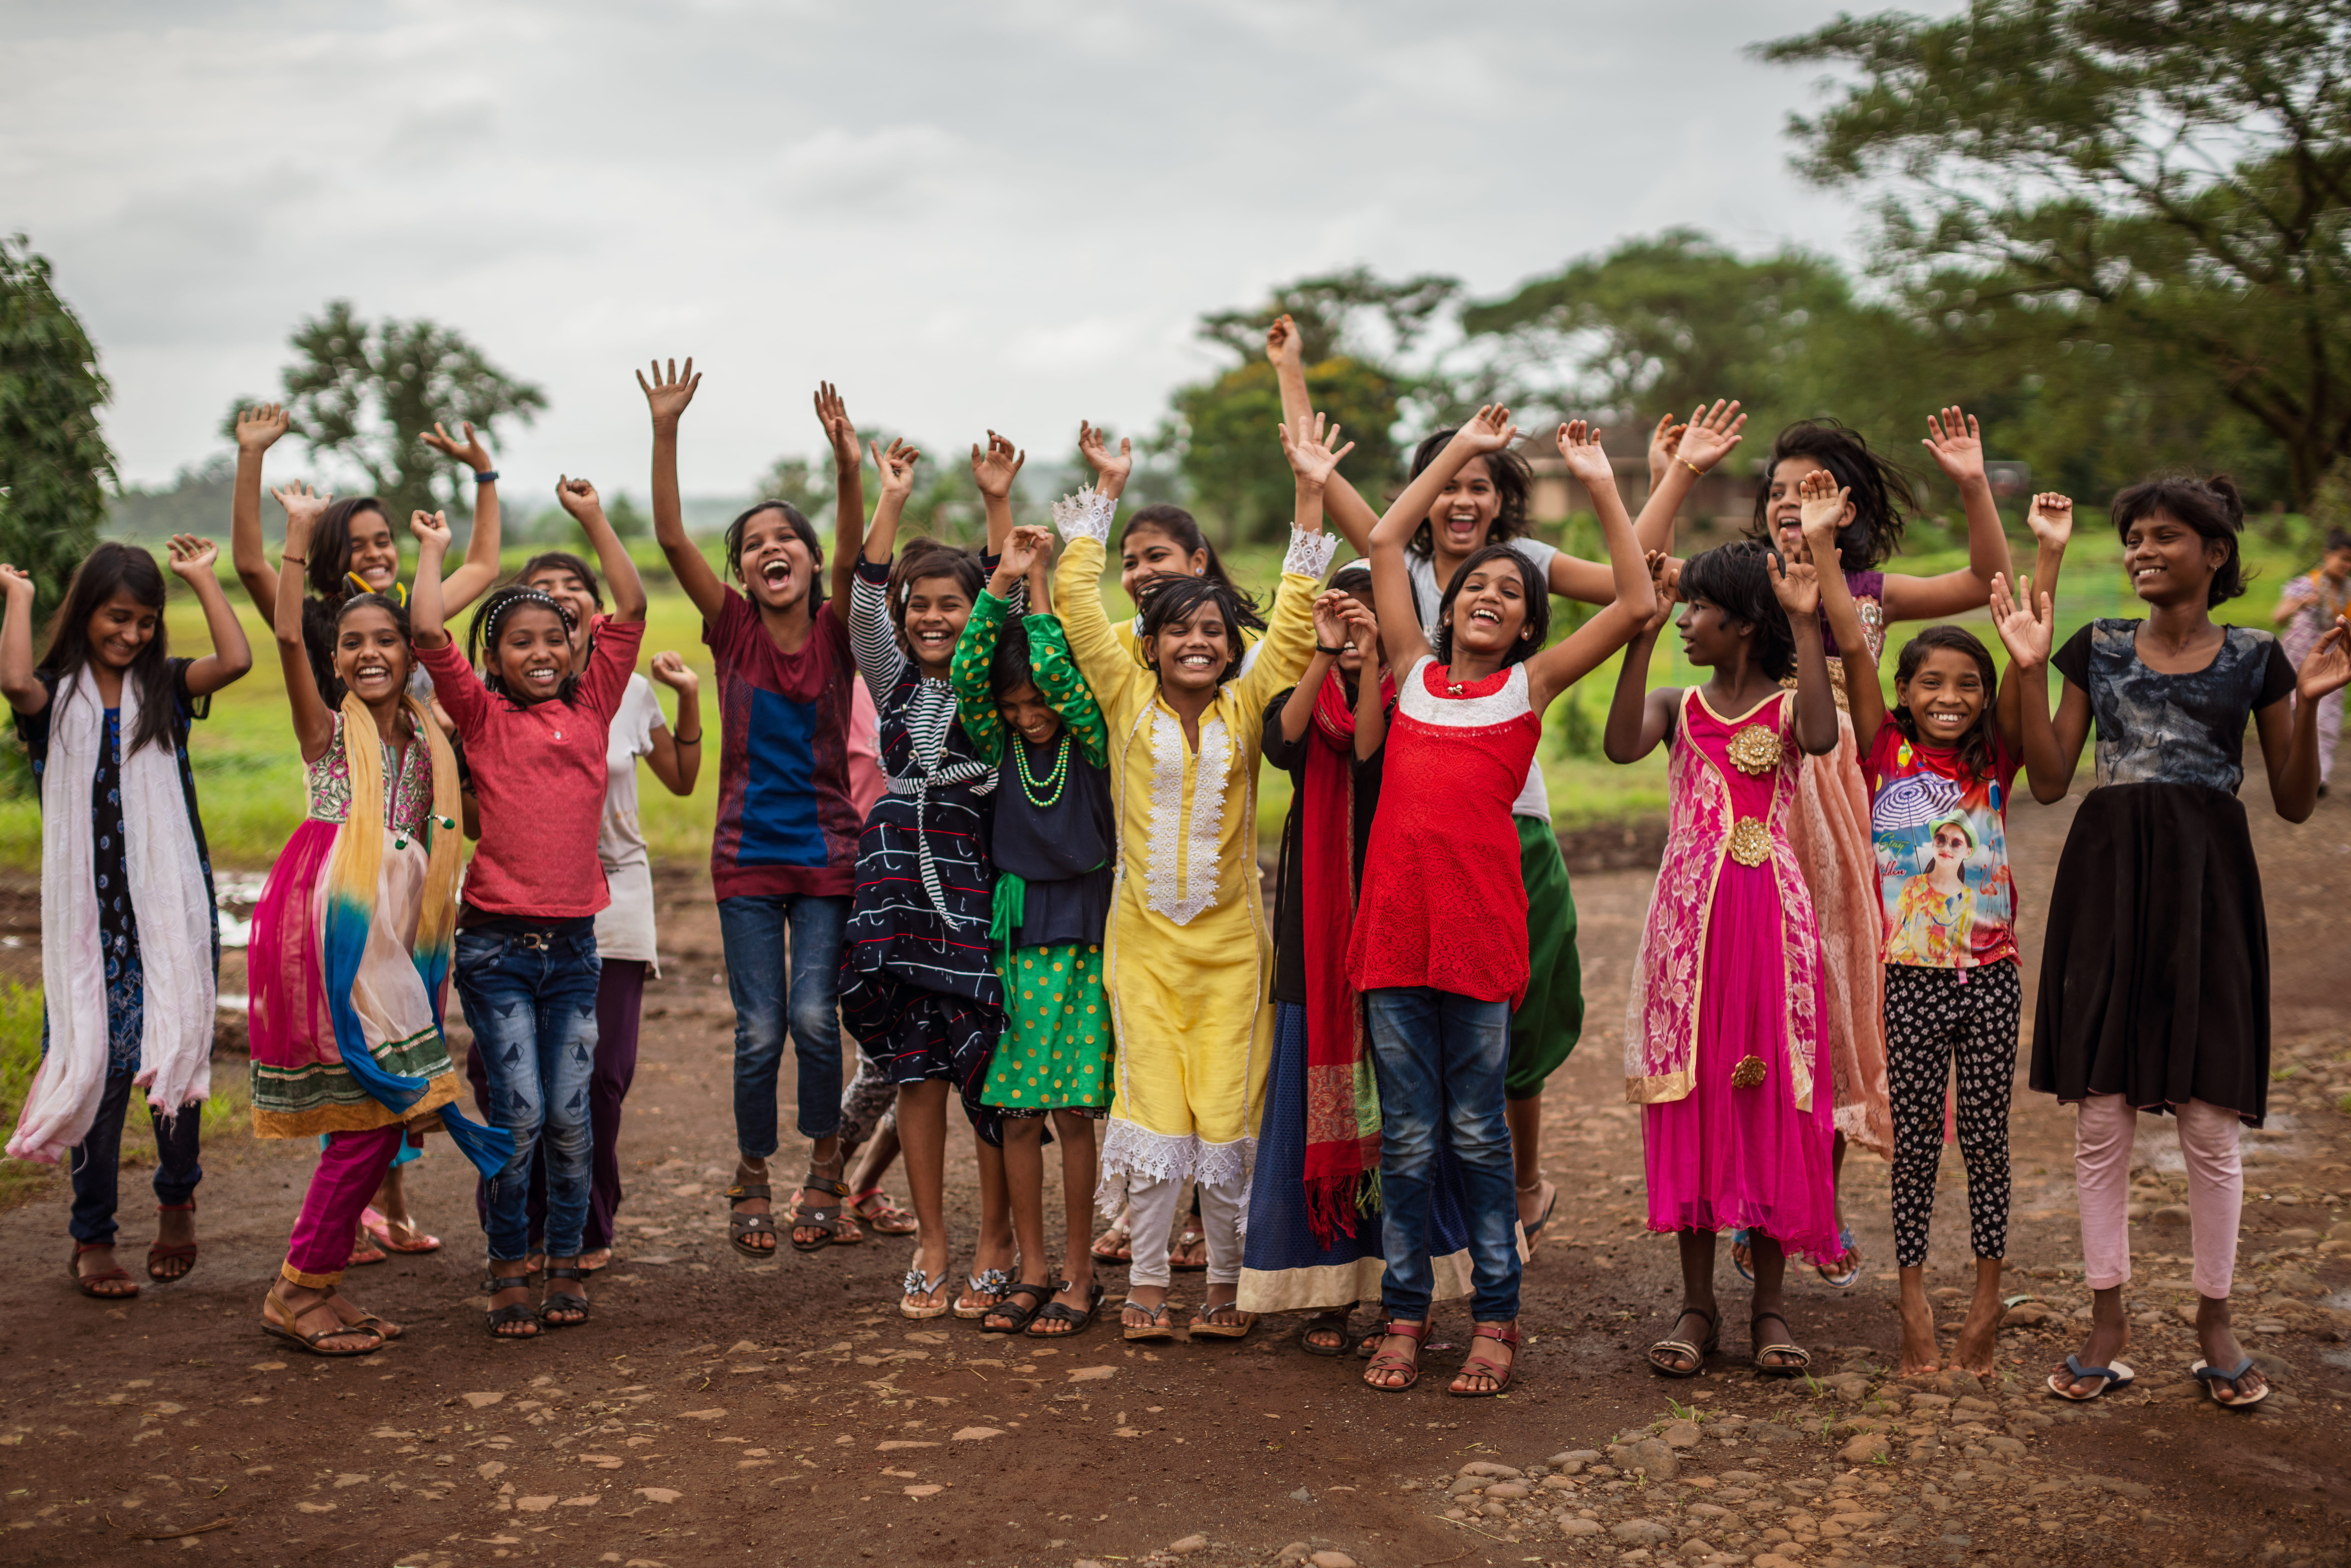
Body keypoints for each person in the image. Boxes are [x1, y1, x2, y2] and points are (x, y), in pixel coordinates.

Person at [1264, 313, 1746, 1246]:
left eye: (1480, 484)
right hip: (1397, 828)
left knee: (1504, 1025)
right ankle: (1424, 1232)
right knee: (1406, 1041)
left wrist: (1661, 476)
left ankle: (1513, 1196)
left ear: (1502, 507)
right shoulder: (1399, 592)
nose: (1463, 500)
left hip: (1502, 822)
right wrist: (1292, 371)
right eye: (1448, 482)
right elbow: (1322, 478)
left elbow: (1628, 586)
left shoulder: (1520, 585)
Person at [2016, 473, 2346, 1408]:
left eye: (2163, 535)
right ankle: (2106, 1319)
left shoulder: (2255, 658)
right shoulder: (2096, 649)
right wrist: (2024, 665)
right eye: (2132, 537)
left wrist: (2316, 698)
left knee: (2207, 1119)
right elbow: (2046, 779)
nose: (2141, 550)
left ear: (2214, 554)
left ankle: (2214, 1320)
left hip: (2208, 888)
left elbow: (2288, 801)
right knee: (2100, 1113)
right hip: (2107, 882)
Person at [1351, 412, 1656, 1396]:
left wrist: (1598, 479)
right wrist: (1450, 454)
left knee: (1478, 1133)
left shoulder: (1527, 688)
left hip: (1479, 942)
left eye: (1509, 591)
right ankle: (1403, 1312)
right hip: (1395, 938)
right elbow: (1388, 539)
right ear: (1447, 610)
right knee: (1406, 1136)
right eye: (1476, 584)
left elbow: (1639, 595)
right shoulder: (1409, 673)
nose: (1488, 593)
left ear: (1530, 626)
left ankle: (1495, 1317)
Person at [1054, 412, 1335, 1344]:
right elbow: (1074, 601)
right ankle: (1144, 1283)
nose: (1199, 644)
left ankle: (1223, 1282)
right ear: (1152, 641)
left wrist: (1308, 488)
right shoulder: (1121, 690)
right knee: (1149, 1109)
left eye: (1214, 630)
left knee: (1224, 1112)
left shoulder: (1252, 703)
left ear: (1228, 641)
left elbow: (1295, 616)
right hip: (1140, 947)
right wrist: (1106, 489)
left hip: (1227, 952)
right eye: (1180, 632)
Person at [1729, 408, 2018, 1288]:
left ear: (1845, 507)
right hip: (1756, 803)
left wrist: (1972, 482)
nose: (1789, 504)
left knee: (1842, 997)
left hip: (1853, 819)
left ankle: (1813, 1200)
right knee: (1758, 1010)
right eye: (1777, 492)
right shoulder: (1746, 584)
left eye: (1809, 491)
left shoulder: (1869, 593)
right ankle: (1754, 1205)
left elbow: (1985, 578)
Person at [1814, 472, 2072, 1376]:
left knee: (1990, 1143)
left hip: (1992, 974)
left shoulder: (1993, 755)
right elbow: (1849, 642)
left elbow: (2023, 637)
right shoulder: (1880, 747)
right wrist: (1818, 545)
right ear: (1905, 692)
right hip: (1908, 978)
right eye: (1932, 682)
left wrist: (2045, 558)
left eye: (1968, 682)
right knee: (1915, 1143)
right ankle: (1913, 1300)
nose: (1951, 695)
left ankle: (1988, 1299)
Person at [226, 405, 499, 1253]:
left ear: (413, 649)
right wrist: (294, 526)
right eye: (354, 643)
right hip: (346, 898)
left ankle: (337, 1254)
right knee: (375, 1090)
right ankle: (312, 1272)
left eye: (391, 638)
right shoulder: (329, 715)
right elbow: (277, 621)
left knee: (388, 1093)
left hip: (412, 897)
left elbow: (472, 573)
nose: (373, 651)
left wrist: (477, 482)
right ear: (335, 656)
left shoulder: (418, 724)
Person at [412, 477, 647, 1337]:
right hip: (497, 951)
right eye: (521, 641)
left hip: (575, 952)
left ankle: (561, 1263)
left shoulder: (593, 701)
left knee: (570, 1119)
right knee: (517, 1115)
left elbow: (629, 600)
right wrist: (435, 552)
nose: (541, 650)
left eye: (555, 636)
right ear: (496, 655)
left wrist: (590, 516)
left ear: (577, 646)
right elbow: (428, 631)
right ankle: (505, 1263)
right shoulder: (477, 715)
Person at [644, 363, 867, 1258]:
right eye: (752, 543)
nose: (769, 549)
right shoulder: (730, 629)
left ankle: (823, 1161)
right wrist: (666, 428)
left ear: (811, 562)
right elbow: (667, 535)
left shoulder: (836, 628)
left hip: (826, 856)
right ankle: (751, 1168)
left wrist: (847, 466)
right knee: (760, 1028)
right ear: (740, 568)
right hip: (744, 856)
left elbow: (857, 552)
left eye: (787, 539)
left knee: (816, 1018)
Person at [1607, 537, 1841, 1381]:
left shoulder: (1786, 711)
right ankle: (1698, 1305)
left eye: (1698, 609)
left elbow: (1820, 736)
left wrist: (1809, 623)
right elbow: (1618, 745)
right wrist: (1640, 633)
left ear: (1744, 624)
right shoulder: (1677, 706)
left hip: (1770, 925)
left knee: (1775, 1094)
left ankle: (1771, 1309)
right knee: (1695, 1093)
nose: (1686, 623)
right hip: (1688, 931)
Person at [1238, 560, 1474, 1358]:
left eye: (1374, 611)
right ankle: (1329, 1293)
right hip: (1315, 942)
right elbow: (1286, 743)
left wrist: (1370, 660)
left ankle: (1409, 1290)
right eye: (1344, 610)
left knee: (1408, 1117)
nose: (1356, 622)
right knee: (1314, 1113)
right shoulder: (1300, 692)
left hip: (1393, 933)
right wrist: (1321, 654)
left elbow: (1370, 756)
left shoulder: (1416, 702)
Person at [3, 539, 250, 1300]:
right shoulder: (53, 700)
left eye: (145, 621)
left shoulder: (166, 690)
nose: (133, 634)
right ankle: (94, 1233)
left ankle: (178, 1201)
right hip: (91, 930)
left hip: (169, 918)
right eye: (118, 617)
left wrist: (203, 579)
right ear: (86, 614)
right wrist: (17, 593)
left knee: (174, 1056)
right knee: (98, 1072)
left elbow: (236, 660)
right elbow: (12, 678)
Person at [458, 551, 702, 1275]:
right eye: (539, 601)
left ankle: (585, 1226)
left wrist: (688, 695)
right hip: (515, 900)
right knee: (503, 1080)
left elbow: (685, 779)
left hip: (612, 894)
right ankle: (515, 1227)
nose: (557, 611)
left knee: (595, 1082)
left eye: (571, 599)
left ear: (588, 619)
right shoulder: (494, 706)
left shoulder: (619, 693)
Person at [840, 430, 1015, 1320]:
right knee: (914, 1071)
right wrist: (893, 498)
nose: (933, 619)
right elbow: (863, 610)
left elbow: (1008, 601)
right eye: (922, 606)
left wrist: (995, 502)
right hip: (892, 889)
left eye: (952, 605)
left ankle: (992, 1237)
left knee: (981, 1062)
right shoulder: (893, 679)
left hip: (970, 883)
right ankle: (931, 1240)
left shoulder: (989, 681)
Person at [951, 523, 1116, 1337]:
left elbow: (1052, 667)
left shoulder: (1091, 741)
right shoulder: (1000, 742)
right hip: (1016, 940)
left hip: (1083, 937)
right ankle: (1035, 1268)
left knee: (1077, 1113)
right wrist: (997, 589)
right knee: (1018, 1114)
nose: (1028, 714)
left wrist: (1039, 582)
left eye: (1037, 701)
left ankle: (1082, 1278)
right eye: (1014, 706)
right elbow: (967, 673)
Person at [2274, 526, 2350, 791]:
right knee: (2295, 715)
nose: (2347, 566)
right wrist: (2301, 602)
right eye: (2343, 559)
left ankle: (2319, 778)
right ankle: (2294, 771)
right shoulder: (2307, 584)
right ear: (2327, 555)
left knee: (2326, 717)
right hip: (2297, 660)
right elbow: (2278, 616)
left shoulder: (2348, 592)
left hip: (2330, 662)